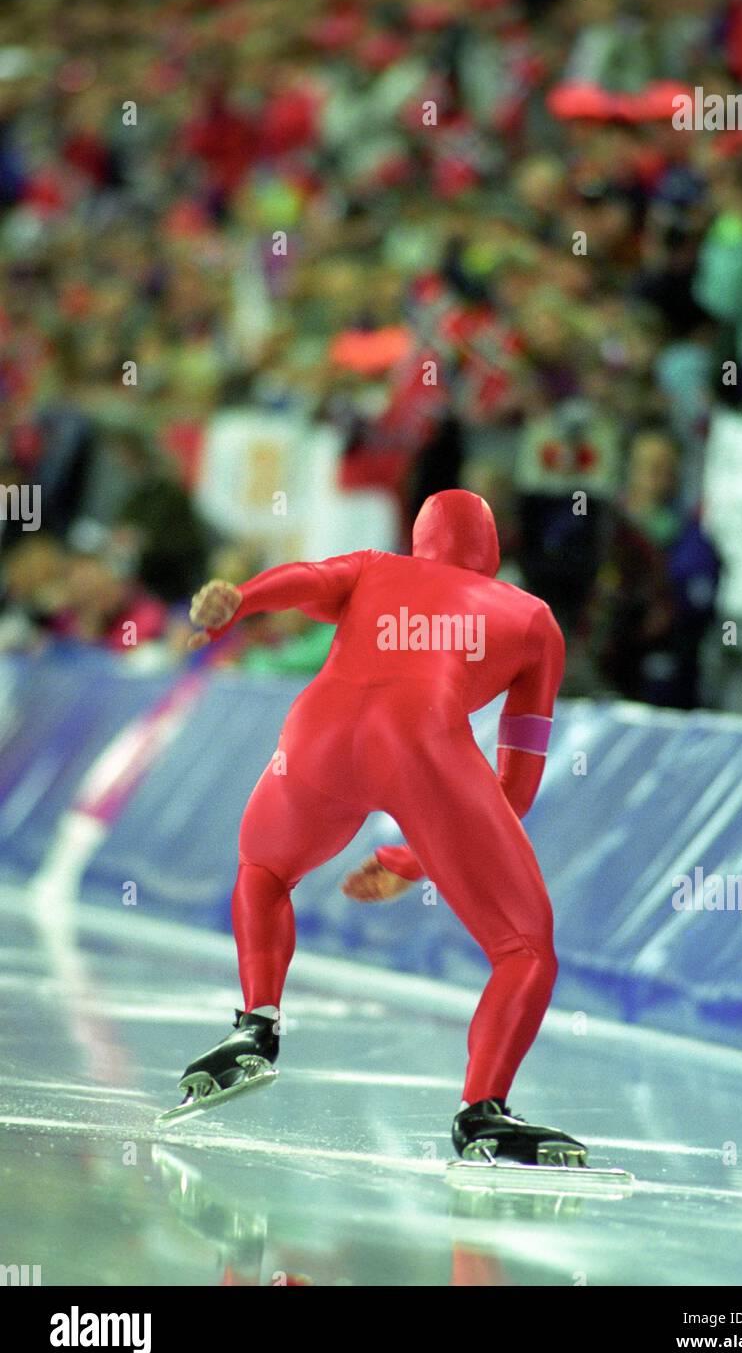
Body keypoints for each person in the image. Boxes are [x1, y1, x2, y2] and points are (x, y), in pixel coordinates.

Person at [168, 489, 584, 1165]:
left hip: (318, 735)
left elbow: (305, 582)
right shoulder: (533, 619)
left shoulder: (372, 567)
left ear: (418, 542)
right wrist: (418, 859)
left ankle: (256, 1026)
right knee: (525, 948)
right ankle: (481, 1113)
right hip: (425, 750)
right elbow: (516, 785)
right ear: (492, 550)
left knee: (264, 870)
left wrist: (240, 598)